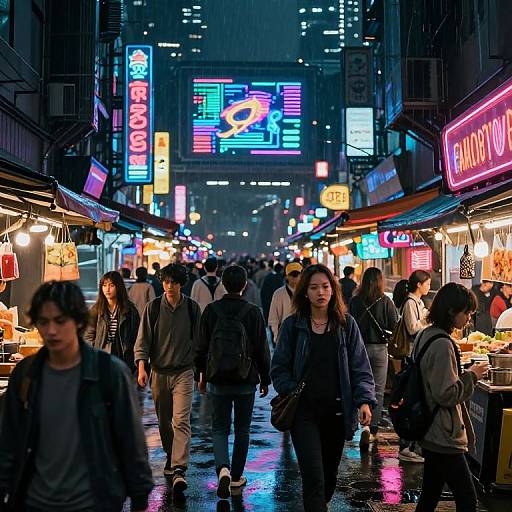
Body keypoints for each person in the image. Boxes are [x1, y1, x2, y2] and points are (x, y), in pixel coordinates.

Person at [0, 281, 153, 511]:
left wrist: (139, 498)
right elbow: (9, 442)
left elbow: (130, 440)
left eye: (60, 321)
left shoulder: (109, 373)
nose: (51, 331)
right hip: (34, 502)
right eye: (43, 322)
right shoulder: (26, 375)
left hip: (91, 503)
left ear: (79, 321)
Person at [271, 264, 376, 512]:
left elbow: (360, 367)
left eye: (326, 286)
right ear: (305, 292)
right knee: (313, 476)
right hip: (304, 414)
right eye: (314, 287)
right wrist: (292, 389)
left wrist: (363, 401)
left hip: (337, 414)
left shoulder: (346, 325)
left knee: (328, 477)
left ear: (333, 290)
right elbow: (279, 368)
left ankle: (322, 503)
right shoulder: (292, 326)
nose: (321, 292)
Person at [195, 265, 271, 500]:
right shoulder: (253, 312)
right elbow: (261, 348)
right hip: (245, 379)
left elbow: (201, 346)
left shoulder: (210, 310)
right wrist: (265, 378)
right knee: (242, 429)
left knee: (219, 427)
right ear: (245, 285)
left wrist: (201, 375)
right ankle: (237, 476)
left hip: (217, 379)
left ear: (223, 284)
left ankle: (223, 469)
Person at [415, 283, 489, 512]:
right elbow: (446, 394)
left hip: (430, 429)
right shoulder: (443, 344)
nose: (469, 318)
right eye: (466, 312)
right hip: (443, 434)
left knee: (429, 496)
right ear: (451, 311)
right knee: (467, 498)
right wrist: (472, 376)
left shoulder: (425, 335)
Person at [134, 263, 201, 492]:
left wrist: (200, 372)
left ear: (182, 284)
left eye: (174, 282)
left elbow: (199, 343)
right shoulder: (152, 308)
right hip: (159, 372)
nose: (169, 286)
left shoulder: (192, 309)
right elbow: (142, 340)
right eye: (166, 281)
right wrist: (142, 368)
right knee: (164, 422)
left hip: (184, 372)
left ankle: (179, 467)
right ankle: (171, 455)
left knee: (181, 420)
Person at [349, 267, 399, 449]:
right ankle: (373, 428)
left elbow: (348, 325)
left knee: (359, 385)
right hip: (379, 349)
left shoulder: (355, 301)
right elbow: (395, 325)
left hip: (358, 349)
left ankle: (363, 425)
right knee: (377, 389)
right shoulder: (386, 301)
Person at [398, 270, 431, 463]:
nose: (428, 286)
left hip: (416, 355)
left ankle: (412, 445)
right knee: (409, 401)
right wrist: (427, 320)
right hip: (410, 357)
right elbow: (412, 328)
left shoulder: (418, 302)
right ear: (418, 285)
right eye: (426, 283)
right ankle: (405, 446)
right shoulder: (411, 303)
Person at [84, 270, 140, 373]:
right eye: (104, 285)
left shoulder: (130, 310)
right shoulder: (96, 309)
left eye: (111, 285)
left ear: (118, 287)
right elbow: (88, 335)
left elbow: (136, 337)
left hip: (122, 356)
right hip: (101, 355)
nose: (107, 289)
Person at [268, 262, 303, 344]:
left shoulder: (306, 292)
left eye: (297, 274)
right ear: (287, 276)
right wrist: (276, 337)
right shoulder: (278, 293)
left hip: (303, 334)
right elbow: (274, 319)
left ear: (301, 275)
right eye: (292, 274)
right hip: (285, 335)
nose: (295, 277)